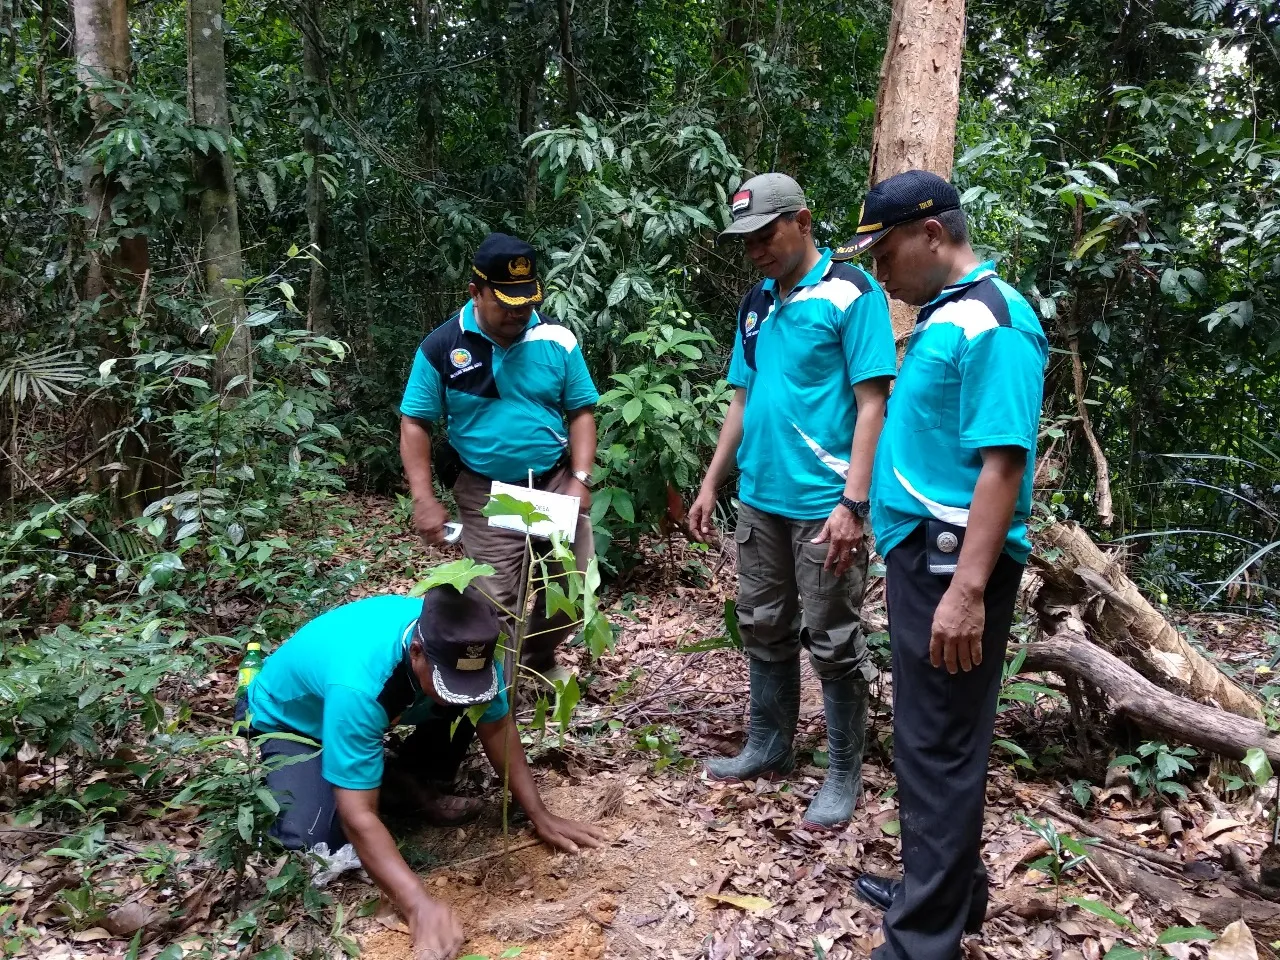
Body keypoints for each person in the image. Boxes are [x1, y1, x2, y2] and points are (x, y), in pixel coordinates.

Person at [831, 171, 1047, 960]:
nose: (878, 268)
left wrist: (967, 590)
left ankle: (923, 940)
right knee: (934, 736)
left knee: (939, 744)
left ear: (931, 235)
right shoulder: (946, 317)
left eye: (883, 250)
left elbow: (1002, 465)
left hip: (956, 562)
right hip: (925, 552)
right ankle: (946, 888)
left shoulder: (994, 321)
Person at [688, 172, 896, 830]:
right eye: (743, 240)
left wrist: (853, 504)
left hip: (824, 503)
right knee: (762, 623)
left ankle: (842, 771)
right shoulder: (756, 302)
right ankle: (768, 741)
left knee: (833, 636)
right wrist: (712, 481)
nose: (754, 250)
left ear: (802, 222)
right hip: (761, 496)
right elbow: (742, 399)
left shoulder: (850, 292)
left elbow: (873, 404)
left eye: (765, 234)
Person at [242, 586, 605, 960]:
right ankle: (379, 779)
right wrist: (417, 903)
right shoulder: (360, 684)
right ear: (417, 651)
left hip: (383, 704)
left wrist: (538, 813)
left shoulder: (469, 646)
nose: (459, 693)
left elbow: (497, 725)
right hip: (293, 723)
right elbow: (358, 816)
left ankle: (400, 781)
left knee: (469, 702)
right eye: (449, 682)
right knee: (311, 839)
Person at [399, 233, 600, 686]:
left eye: (526, 302)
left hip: (552, 483)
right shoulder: (442, 347)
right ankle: (494, 695)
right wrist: (423, 497)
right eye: (506, 302)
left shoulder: (557, 340)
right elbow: (415, 423)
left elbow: (581, 411)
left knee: (574, 585)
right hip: (489, 492)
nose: (517, 313)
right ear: (476, 291)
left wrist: (581, 477)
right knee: (493, 601)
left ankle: (537, 653)